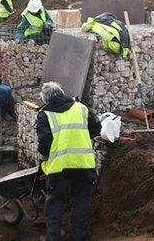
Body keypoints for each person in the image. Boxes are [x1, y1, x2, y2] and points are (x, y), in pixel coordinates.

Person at [36, 82, 101, 241]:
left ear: (46, 100)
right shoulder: (81, 108)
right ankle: (78, 237)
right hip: (84, 166)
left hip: (59, 169)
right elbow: (97, 128)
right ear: (62, 93)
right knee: (81, 203)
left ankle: (53, 238)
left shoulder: (45, 114)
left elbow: (44, 144)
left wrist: (45, 157)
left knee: (55, 205)